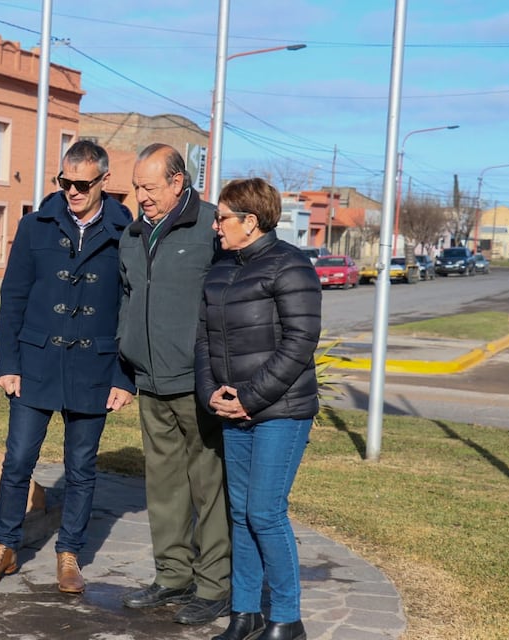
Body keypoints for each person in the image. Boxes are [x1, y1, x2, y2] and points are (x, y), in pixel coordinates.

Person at [0, 140, 135, 594]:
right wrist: (8, 363)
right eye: (66, 182)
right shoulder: (34, 226)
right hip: (35, 361)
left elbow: (131, 307)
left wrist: (125, 377)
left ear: (104, 181)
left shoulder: (127, 234)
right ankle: (4, 547)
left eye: (83, 184)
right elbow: (13, 297)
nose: (73, 191)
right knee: (18, 458)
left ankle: (69, 554)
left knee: (81, 466)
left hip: (95, 367)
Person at [195, 177, 321, 640]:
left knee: (266, 512)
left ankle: (287, 618)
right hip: (232, 410)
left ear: (250, 222)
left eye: (223, 217)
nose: (215, 226)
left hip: (281, 412)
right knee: (241, 512)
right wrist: (211, 392)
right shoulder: (220, 268)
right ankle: (244, 613)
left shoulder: (291, 266)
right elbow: (204, 339)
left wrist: (248, 398)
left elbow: (300, 342)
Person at [117, 143, 231, 625]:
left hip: (197, 382)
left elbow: (231, 299)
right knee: (163, 486)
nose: (141, 196)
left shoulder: (210, 227)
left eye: (149, 186)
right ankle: (171, 576)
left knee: (208, 486)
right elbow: (127, 297)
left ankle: (213, 586)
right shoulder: (133, 233)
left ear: (178, 181)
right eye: (137, 186)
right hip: (151, 380)